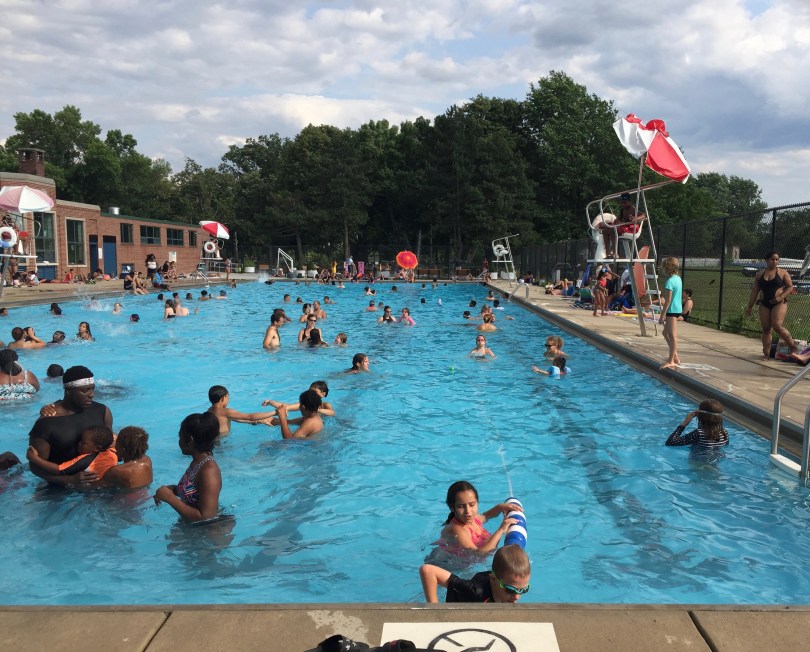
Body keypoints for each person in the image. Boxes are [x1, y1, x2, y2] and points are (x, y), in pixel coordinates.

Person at [28, 366, 113, 485]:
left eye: (92, 389)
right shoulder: (46, 423)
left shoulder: (102, 411)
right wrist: (69, 480)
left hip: (99, 484)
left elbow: (109, 447)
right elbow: (35, 467)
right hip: (60, 488)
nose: (91, 394)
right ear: (68, 391)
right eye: (85, 390)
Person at [154, 412, 222, 522]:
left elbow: (207, 517)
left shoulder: (209, 471)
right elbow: (195, 492)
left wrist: (170, 498)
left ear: (190, 440)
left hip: (207, 530)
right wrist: (174, 490)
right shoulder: (198, 462)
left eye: (180, 437)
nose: (179, 441)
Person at [419, 544, 531, 604]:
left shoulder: (506, 590)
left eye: (523, 590)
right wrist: (435, 612)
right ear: (493, 579)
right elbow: (427, 571)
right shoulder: (474, 590)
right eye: (510, 590)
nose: (517, 596)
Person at [434, 481, 521, 555]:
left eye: (472, 504)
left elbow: (486, 516)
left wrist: (500, 507)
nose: (468, 511)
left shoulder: (474, 519)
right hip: (446, 564)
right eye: (461, 506)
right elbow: (478, 554)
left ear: (477, 503)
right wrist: (501, 530)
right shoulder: (457, 529)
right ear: (452, 508)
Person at [745, 251, 799, 359]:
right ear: (766, 260)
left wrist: (781, 297)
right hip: (764, 303)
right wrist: (750, 306)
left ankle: (793, 348)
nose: (774, 261)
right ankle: (767, 353)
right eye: (772, 259)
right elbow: (755, 291)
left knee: (777, 326)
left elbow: (790, 287)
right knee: (766, 329)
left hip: (779, 303)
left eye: (777, 260)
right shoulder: (759, 274)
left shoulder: (782, 273)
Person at [27, 425, 117, 480]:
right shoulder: (113, 452)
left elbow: (59, 470)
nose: (79, 443)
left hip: (92, 491)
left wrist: (34, 458)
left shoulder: (86, 459)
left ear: (97, 448)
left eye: (83, 442)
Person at [207, 385, 276, 435]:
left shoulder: (209, 411)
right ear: (223, 398)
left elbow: (236, 419)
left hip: (212, 440)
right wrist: (275, 412)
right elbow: (250, 416)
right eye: (228, 397)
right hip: (221, 443)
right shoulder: (226, 411)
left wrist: (258, 421)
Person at [599, 193, 646, 258]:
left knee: (613, 229)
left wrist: (636, 218)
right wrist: (612, 222)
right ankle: (608, 253)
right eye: (621, 203)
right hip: (624, 227)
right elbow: (617, 220)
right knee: (605, 230)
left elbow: (644, 215)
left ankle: (615, 253)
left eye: (625, 202)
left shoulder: (632, 209)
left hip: (631, 229)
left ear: (629, 202)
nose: (623, 204)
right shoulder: (623, 210)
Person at [263, 380, 336, 417]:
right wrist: (271, 402)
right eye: (309, 391)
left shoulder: (326, 405)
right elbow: (287, 407)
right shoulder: (305, 404)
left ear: (323, 394)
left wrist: (318, 410)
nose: (310, 393)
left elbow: (332, 413)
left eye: (313, 392)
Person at [659, 256, 682, 370]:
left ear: (667, 268)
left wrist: (662, 316)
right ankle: (675, 356)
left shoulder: (669, 282)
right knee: (665, 333)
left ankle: (671, 360)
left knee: (672, 335)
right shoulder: (678, 278)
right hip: (677, 309)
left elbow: (668, 300)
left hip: (672, 310)